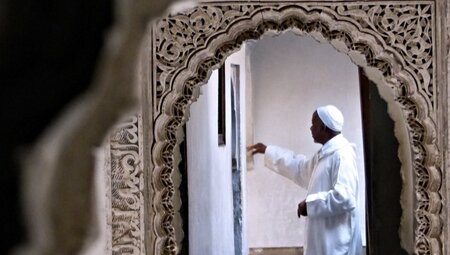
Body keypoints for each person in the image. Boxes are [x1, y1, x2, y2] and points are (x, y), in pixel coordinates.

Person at [247, 105, 362, 255]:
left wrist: (310, 204)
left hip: (337, 243)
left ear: (323, 127)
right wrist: (268, 150)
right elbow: (301, 169)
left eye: (313, 124)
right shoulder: (326, 154)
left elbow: (345, 197)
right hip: (327, 240)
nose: (310, 128)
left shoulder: (342, 155)